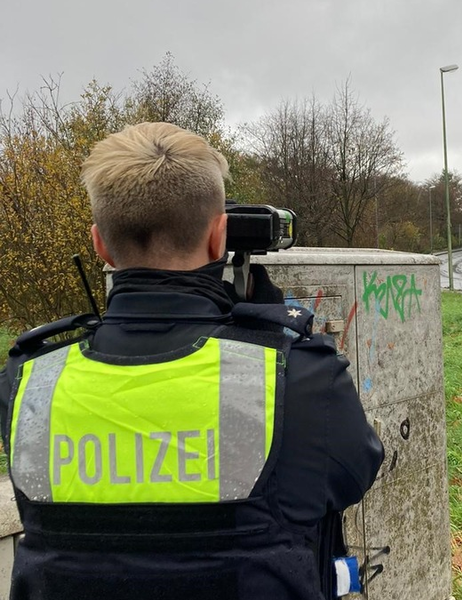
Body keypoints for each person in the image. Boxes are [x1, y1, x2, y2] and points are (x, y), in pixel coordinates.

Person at [0, 122, 384, 600]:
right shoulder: (302, 375)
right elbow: (355, 472)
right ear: (219, 236)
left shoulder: (29, 378)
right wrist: (265, 327)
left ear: (100, 243)